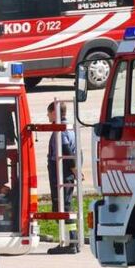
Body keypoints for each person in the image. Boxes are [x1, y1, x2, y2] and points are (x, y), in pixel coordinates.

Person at [45, 100, 80, 255]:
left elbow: (66, 150)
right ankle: (72, 241)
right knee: (65, 206)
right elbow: (78, 151)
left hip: (61, 173)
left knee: (63, 207)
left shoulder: (60, 131)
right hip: (66, 172)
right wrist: (77, 170)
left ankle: (70, 242)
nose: (47, 115)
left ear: (54, 112)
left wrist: (74, 170)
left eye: (49, 112)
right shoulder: (70, 129)